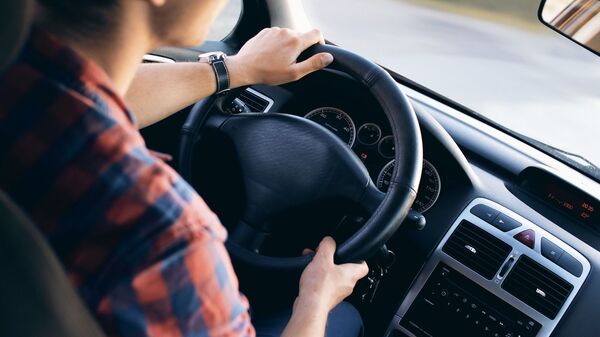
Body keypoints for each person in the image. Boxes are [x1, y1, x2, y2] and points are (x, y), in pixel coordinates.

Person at [0, 0, 370, 337]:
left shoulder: (19, 80)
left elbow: (94, 96)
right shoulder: (160, 232)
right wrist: (316, 299)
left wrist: (236, 69)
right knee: (344, 319)